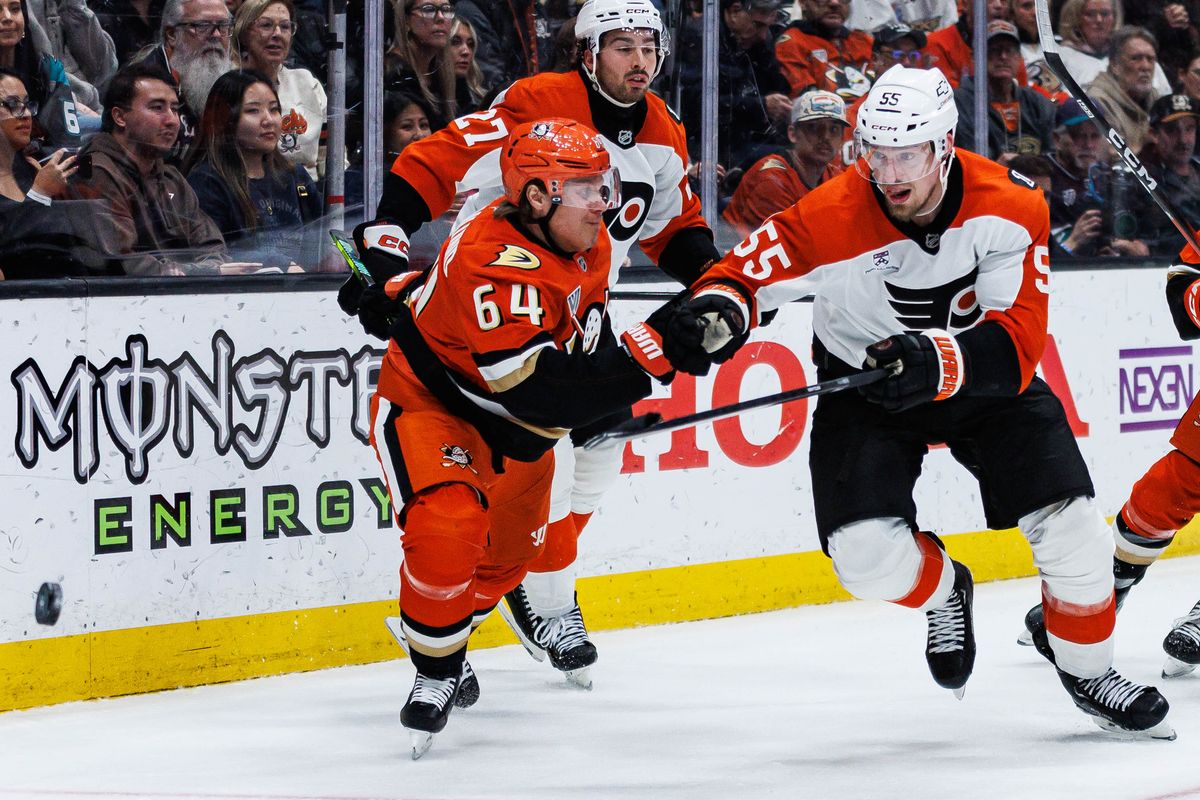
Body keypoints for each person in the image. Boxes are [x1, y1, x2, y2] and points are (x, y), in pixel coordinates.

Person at [667, 64, 1175, 739]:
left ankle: (1087, 669)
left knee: (1075, 528)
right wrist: (721, 310)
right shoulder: (829, 214)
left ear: (943, 147)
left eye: (906, 153)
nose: (890, 170)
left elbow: (1019, 341)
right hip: (867, 387)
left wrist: (941, 359)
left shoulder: (1011, 204)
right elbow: (740, 275)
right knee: (864, 560)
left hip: (986, 387)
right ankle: (945, 591)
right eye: (875, 153)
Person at [339, 0, 721, 690]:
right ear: (587, 53)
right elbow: (439, 160)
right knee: (547, 462)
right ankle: (541, 601)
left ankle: (508, 593)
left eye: (648, 46)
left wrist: (722, 285)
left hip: (584, 311)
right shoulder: (541, 103)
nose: (639, 62)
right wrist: (387, 242)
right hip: (506, 306)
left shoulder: (665, 128)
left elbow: (671, 226)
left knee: (595, 462)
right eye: (622, 46)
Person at [352, 118, 695, 757]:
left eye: (603, 184)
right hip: (435, 406)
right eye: (586, 187)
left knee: (505, 563)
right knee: (447, 526)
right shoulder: (495, 259)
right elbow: (535, 391)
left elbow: (566, 353)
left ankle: (438, 635)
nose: (605, 202)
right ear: (537, 197)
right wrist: (654, 355)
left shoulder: (584, 242)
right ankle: (436, 669)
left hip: (520, 429)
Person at [75, 63, 249, 276]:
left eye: (175, 109)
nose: (172, 120)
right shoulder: (94, 172)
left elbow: (212, 246)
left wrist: (202, 270)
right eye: (157, 108)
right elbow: (122, 262)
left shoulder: (171, 178)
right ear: (120, 117)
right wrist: (202, 272)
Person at [184, 69, 320, 268]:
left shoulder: (294, 175)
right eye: (253, 111)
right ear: (225, 120)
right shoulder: (206, 183)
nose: (269, 120)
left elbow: (324, 234)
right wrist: (280, 265)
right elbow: (216, 257)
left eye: (274, 109)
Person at [676, 0, 792, 174]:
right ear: (734, 11)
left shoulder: (756, 39)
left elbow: (777, 84)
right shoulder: (702, 39)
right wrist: (760, 106)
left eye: (767, 26)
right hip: (708, 147)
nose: (763, 34)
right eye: (758, 25)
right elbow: (696, 104)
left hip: (746, 139)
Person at [722, 88, 847, 236]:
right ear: (792, 134)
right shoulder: (771, 179)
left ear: (841, 140)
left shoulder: (836, 177)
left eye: (834, 129)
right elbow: (790, 247)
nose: (825, 136)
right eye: (814, 127)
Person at [233, 0, 326, 181]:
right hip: (248, 186)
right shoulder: (228, 84)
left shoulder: (306, 82)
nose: (277, 34)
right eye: (266, 25)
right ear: (243, 33)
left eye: (285, 27)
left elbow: (329, 157)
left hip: (308, 190)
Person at [136, 0, 238, 165]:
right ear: (172, 35)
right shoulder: (143, 85)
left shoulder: (232, 81)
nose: (217, 35)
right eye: (203, 26)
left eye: (224, 26)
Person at [952, 20, 1057, 162]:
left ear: (1019, 58)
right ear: (975, 57)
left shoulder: (1039, 104)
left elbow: (1052, 157)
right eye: (994, 50)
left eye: (1010, 50)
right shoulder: (959, 103)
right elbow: (968, 159)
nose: (1003, 56)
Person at [1055, 0, 1173, 98]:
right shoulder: (1058, 58)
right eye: (1090, 14)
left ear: (1115, 17)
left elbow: (1164, 98)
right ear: (1076, 18)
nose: (1099, 20)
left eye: (1105, 14)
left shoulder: (1140, 57)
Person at [1085, 26, 1163, 162]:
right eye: (1136, 58)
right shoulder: (1097, 102)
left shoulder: (1155, 98)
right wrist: (1146, 144)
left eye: (1150, 59)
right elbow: (1108, 156)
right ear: (1115, 65)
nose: (1145, 66)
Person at [1137, 93, 1200, 254]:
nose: (1183, 139)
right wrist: (1151, 249)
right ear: (1154, 134)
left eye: (1189, 128)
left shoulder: (1197, 169)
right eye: (1172, 130)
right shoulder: (1140, 179)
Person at [774, 0, 873, 99]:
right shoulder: (791, 44)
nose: (835, 3)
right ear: (803, 3)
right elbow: (807, 101)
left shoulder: (863, 41)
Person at [384, 0, 456, 130]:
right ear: (406, 20)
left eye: (446, 10)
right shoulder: (393, 74)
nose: (440, 17)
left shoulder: (439, 74)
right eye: (428, 10)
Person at [448, 15, 485, 116]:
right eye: (455, 42)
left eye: (470, 44)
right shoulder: (425, 99)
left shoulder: (481, 102)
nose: (466, 51)